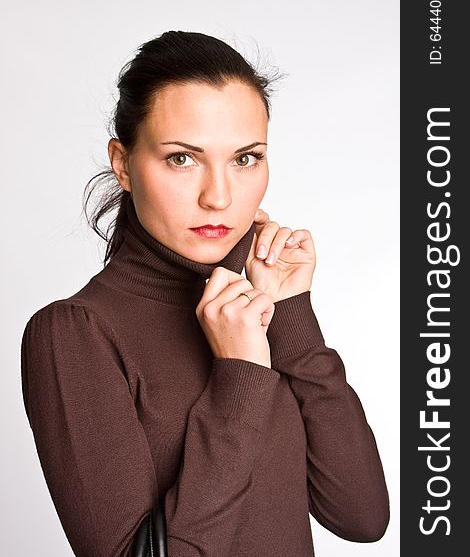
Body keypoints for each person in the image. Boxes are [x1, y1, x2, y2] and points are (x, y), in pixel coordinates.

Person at [20, 30, 390, 557]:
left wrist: (289, 315)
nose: (218, 197)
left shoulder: (252, 309)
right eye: (182, 158)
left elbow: (362, 516)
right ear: (123, 164)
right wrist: (239, 379)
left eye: (245, 159)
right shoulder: (76, 333)